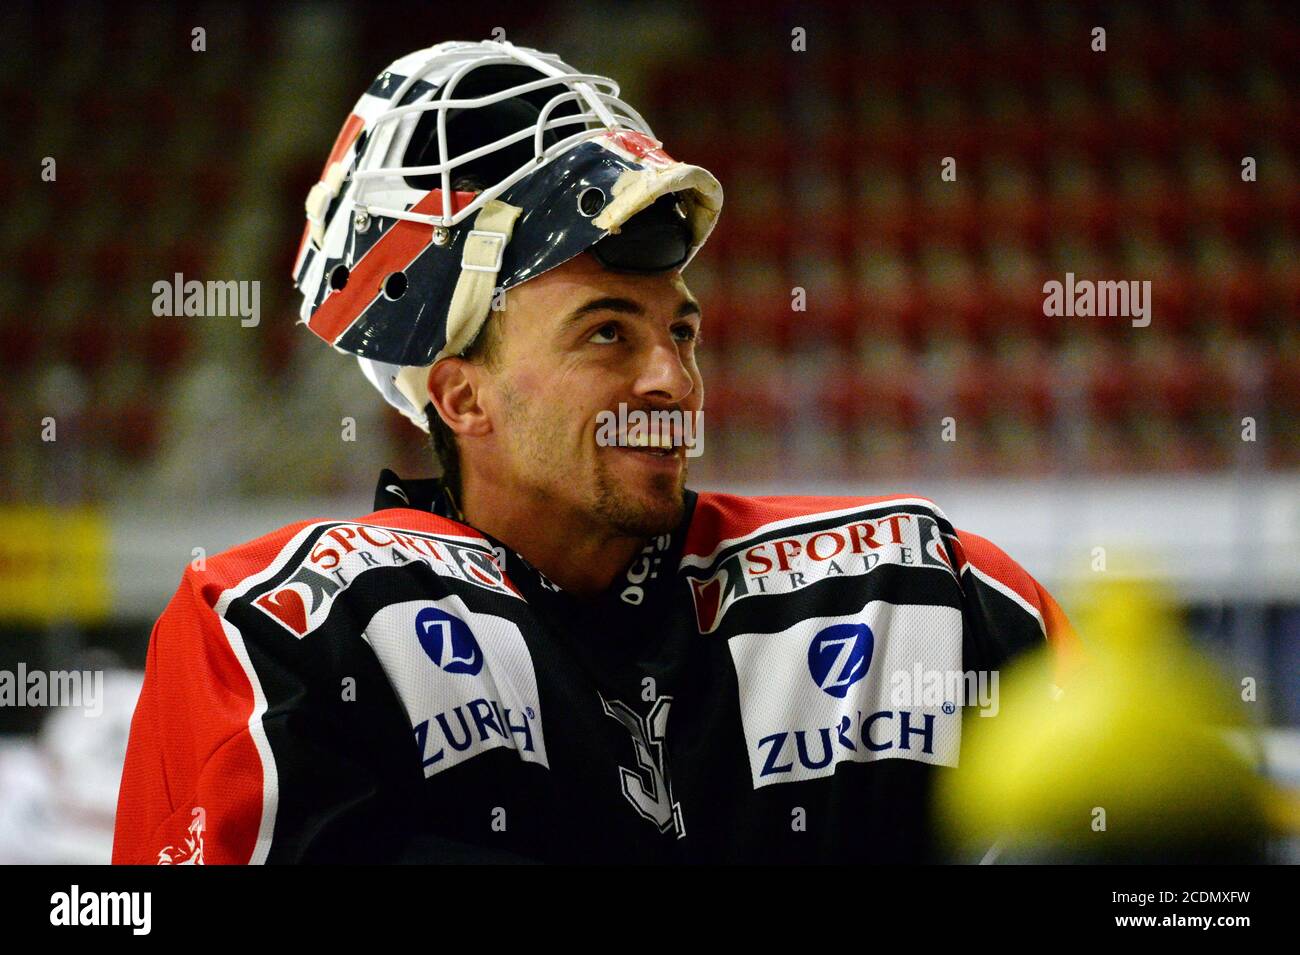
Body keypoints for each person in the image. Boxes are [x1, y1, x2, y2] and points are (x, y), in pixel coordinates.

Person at [113, 39, 1078, 864]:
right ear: (461, 394)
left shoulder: (920, 596)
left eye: (683, 330)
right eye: (608, 332)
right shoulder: (286, 637)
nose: (673, 379)